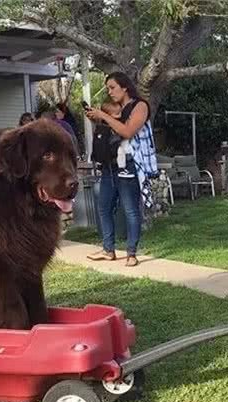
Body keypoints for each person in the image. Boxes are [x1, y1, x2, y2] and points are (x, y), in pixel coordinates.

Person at [84, 72, 158, 267]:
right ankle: (108, 250)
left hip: (130, 166)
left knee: (130, 210)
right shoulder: (114, 109)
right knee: (104, 206)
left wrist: (103, 116)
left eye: (112, 87)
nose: (109, 91)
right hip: (110, 165)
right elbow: (111, 132)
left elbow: (127, 131)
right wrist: (97, 119)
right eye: (108, 88)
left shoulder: (140, 106)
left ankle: (131, 253)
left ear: (125, 87)